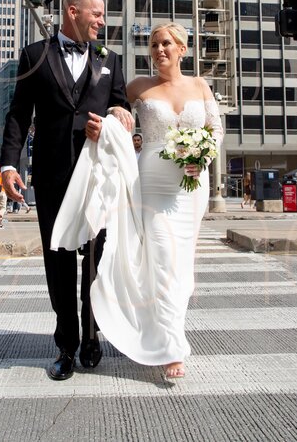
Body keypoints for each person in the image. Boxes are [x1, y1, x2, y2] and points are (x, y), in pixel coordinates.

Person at [53, 22, 223, 380]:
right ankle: (171, 347)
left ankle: (166, 331)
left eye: (166, 44)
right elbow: (110, 105)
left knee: (182, 266)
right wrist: (115, 117)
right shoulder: (138, 86)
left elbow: (215, 130)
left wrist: (202, 157)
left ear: (182, 49)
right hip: (151, 183)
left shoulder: (200, 85)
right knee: (162, 259)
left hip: (192, 186)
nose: (159, 50)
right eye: (153, 45)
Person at [0, 0, 132, 382]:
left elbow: (121, 107)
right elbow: (19, 115)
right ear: (73, 12)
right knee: (58, 262)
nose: (102, 21)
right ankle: (66, 347)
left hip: (97, 177)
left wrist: (114, 116)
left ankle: (93, 337)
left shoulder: (111, 60)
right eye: (97, 13)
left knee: (94, 260)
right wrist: (8, 165)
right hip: (54, 176)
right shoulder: (33, 55)